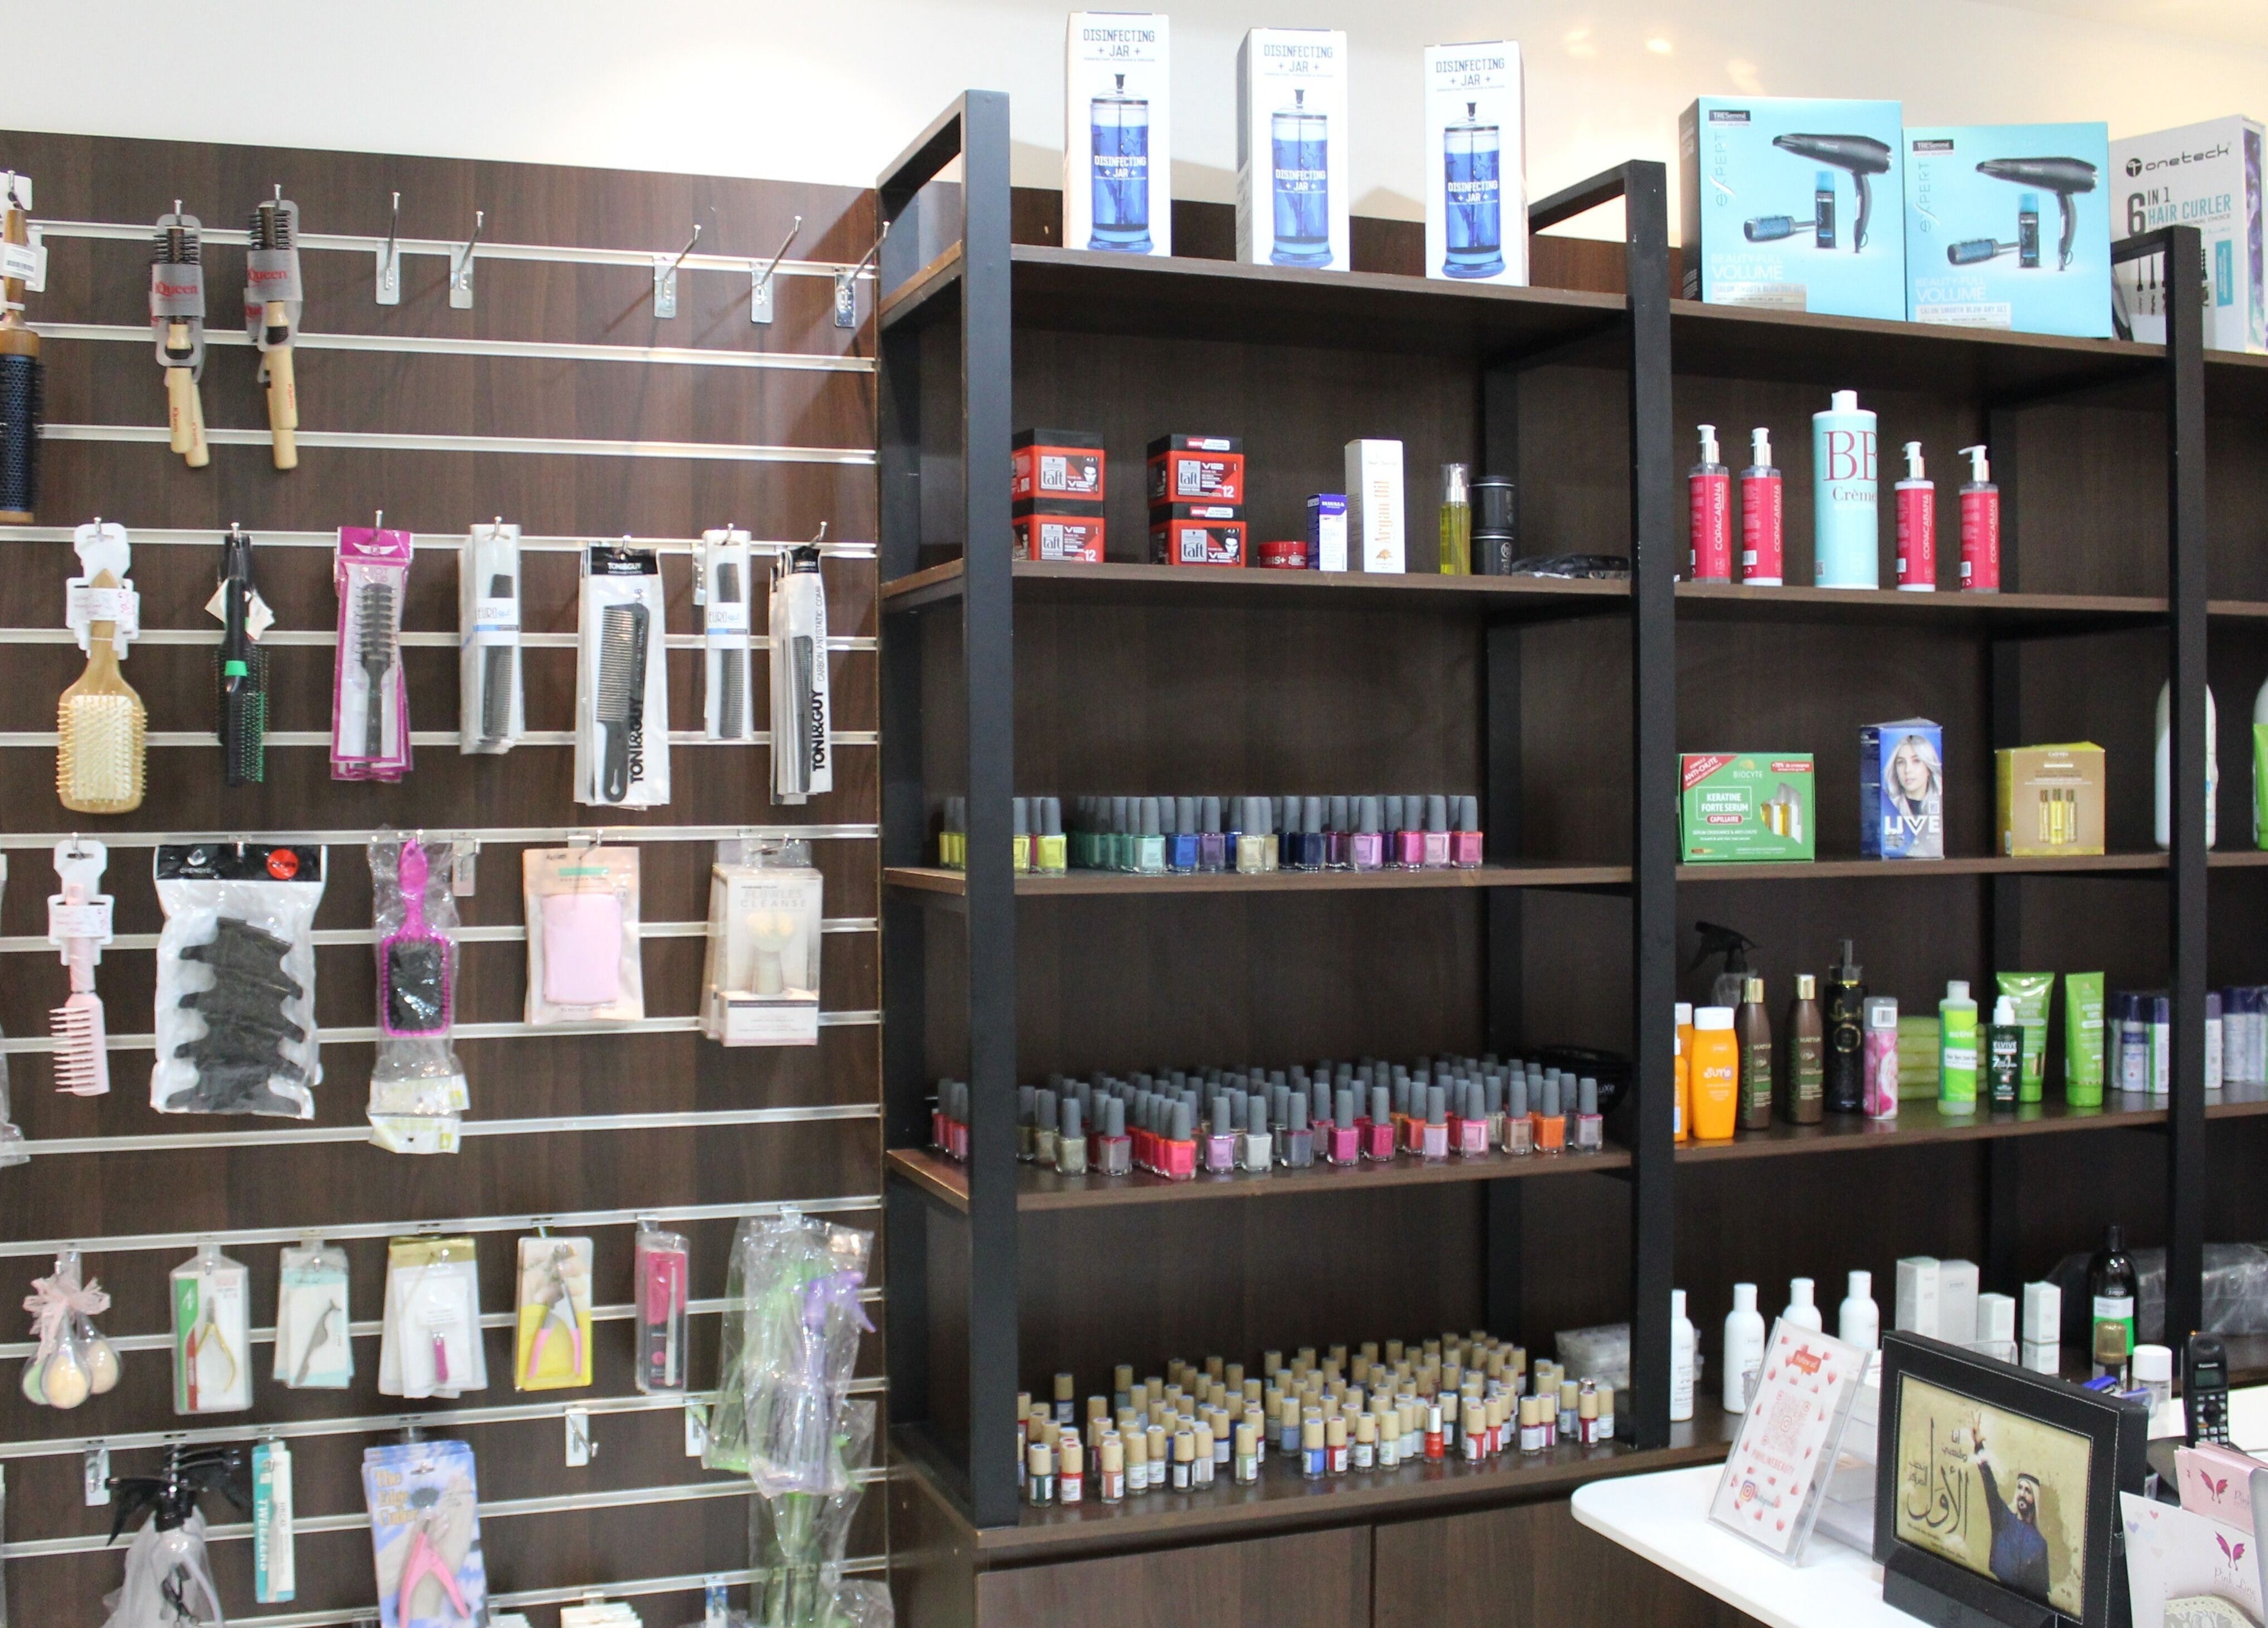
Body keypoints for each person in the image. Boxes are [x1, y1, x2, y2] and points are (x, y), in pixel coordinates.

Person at [1972, 1414, 2050, 1601]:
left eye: (2028, 1491)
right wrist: (1979, 1447)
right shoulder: (2003, 1518)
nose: (2022, 1493)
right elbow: (1990, 1486)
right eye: (2020, 1488)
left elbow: (2040, 1594)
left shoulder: (2040, 1544)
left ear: (2034, 1499)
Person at [1881, 733, 1944, 859]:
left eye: (1916, 761)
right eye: (1901, 763)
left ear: (1929, 768)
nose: (1907, 770)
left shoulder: (1940, 806)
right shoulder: (1888, 805)